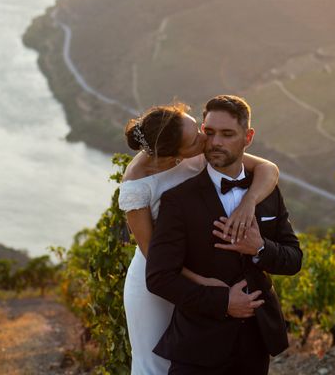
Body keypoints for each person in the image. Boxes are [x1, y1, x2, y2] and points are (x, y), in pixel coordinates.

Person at [119, 101, 280, 374]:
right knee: (155, 364)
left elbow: (268, 169)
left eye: (198, 128)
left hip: (198, 268)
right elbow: (153, 254)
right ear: (174, 155)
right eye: (196, 139)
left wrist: (248, 203)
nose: (207, 139)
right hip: (157, 280)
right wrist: (202, 282)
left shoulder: (198, 150)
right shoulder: (136, 185)